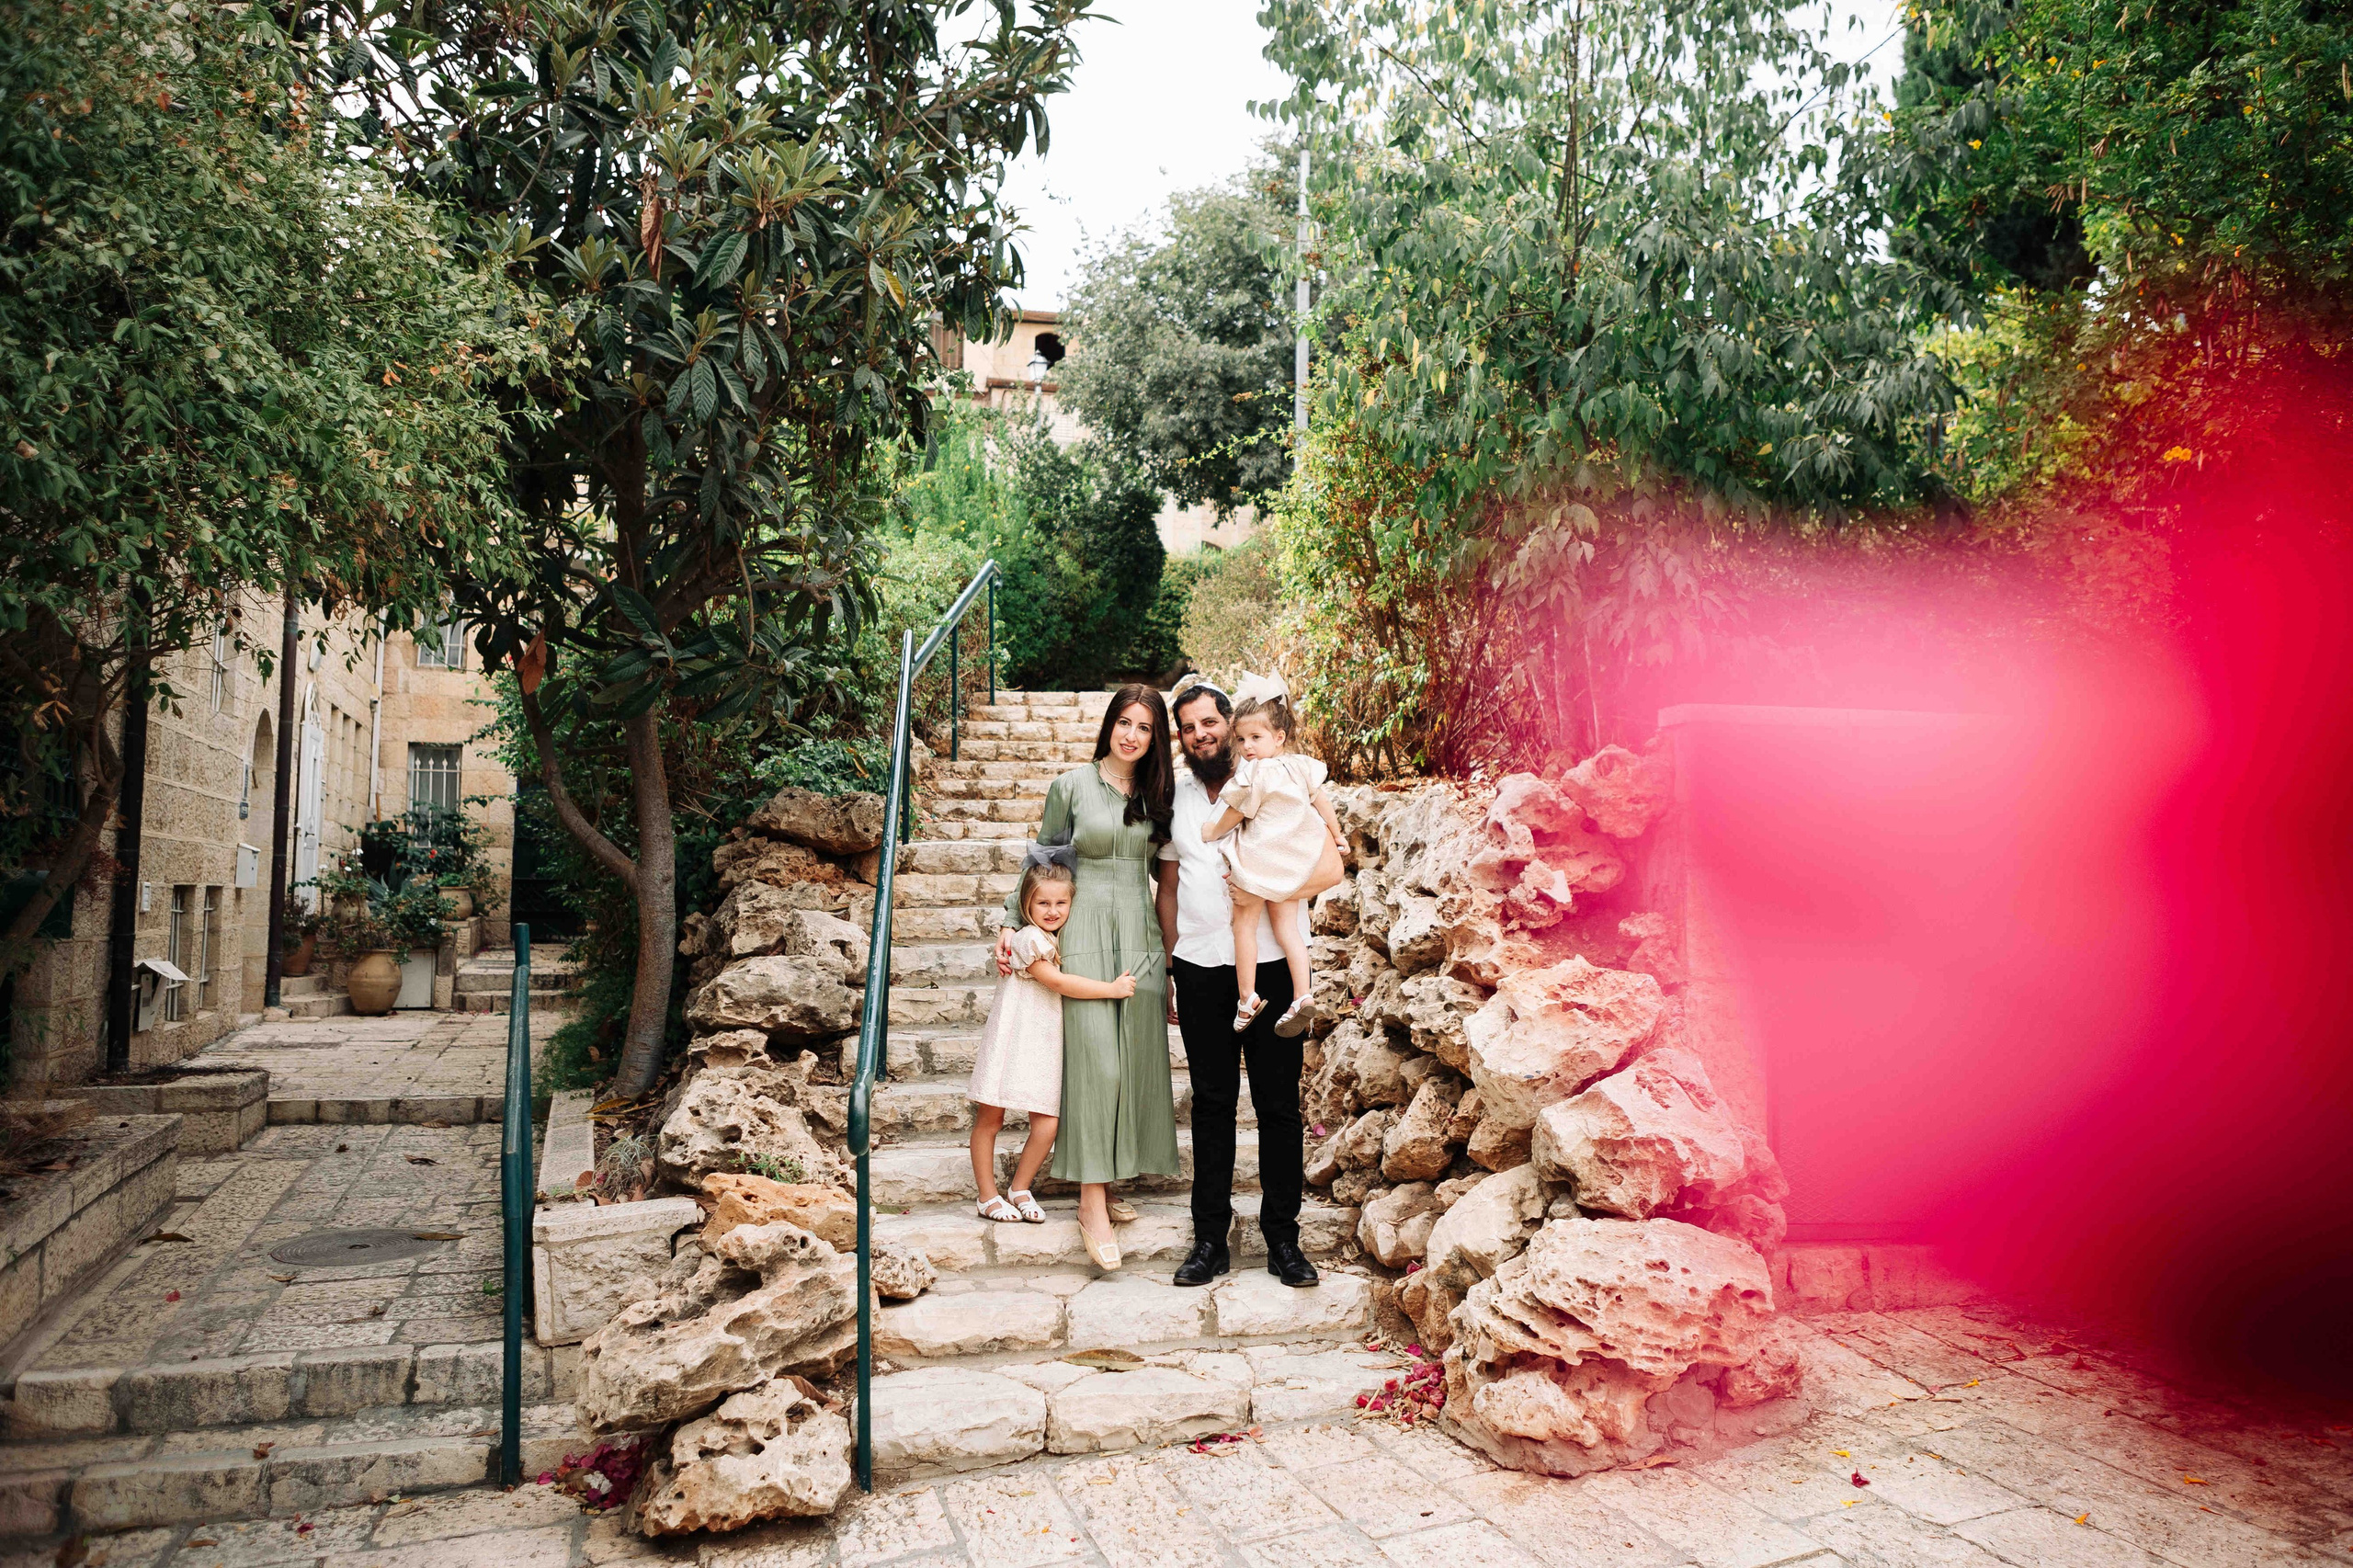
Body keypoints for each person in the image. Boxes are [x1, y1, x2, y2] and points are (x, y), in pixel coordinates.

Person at [994, 683, 1176, 1271]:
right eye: (1124, 722)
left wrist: (1171, 956)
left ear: (1156, 738)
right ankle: (1090, 1200)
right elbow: (1041, 860)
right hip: (1083, 931)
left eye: (1145, 727)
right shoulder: (1070, 786)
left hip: (1141, 934)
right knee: (1096, 1061)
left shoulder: (1158, 793)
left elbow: (1167, 876)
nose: (1132, 735)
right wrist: (1008, 923)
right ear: (1109, 725)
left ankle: (1113, 1173)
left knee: (1134, 1059)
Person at [1156, 679, 1324, 1289]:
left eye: (1210, 721)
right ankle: (1210, 1241)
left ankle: (1283, 1239)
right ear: (1181, 737)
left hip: (1275, 964)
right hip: (1200, 968)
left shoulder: (1276, 777)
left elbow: (1320, 853)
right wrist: (1171, 967)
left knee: (1279, 1107)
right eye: (1189, 726)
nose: (1202, 734)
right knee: (1212, 1105)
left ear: (1231, 722)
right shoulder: (1171, 797)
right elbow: (1168, 887)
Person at [965, 849, 1136, 1224]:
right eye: (1043, 902)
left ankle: (1020, 1187)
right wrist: (1112, 988)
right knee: (990, 1118)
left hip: (1042, 1044)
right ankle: (987, 1195)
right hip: (1013, 1037)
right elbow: (1056, 982)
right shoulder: (1028, 939)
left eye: (1061, 902)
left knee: (1047, 1123)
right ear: (1026, 903)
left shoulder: (1058, 937)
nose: (1053, 910)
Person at [1199, 674, 1346, 1038]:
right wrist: (1338, 833)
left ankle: (1247, 997)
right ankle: (1302, 994)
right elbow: (1321, 801)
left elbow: (1234, 814)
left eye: (1256, 737)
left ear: (1279, 737)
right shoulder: (1300, 766)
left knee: (1243, 926)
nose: (1247, 747)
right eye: (1242, 739)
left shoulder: (1255, 774)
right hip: (1292, 864)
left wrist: (1211, 831)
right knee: (1288, 928)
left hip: (1258, 862)